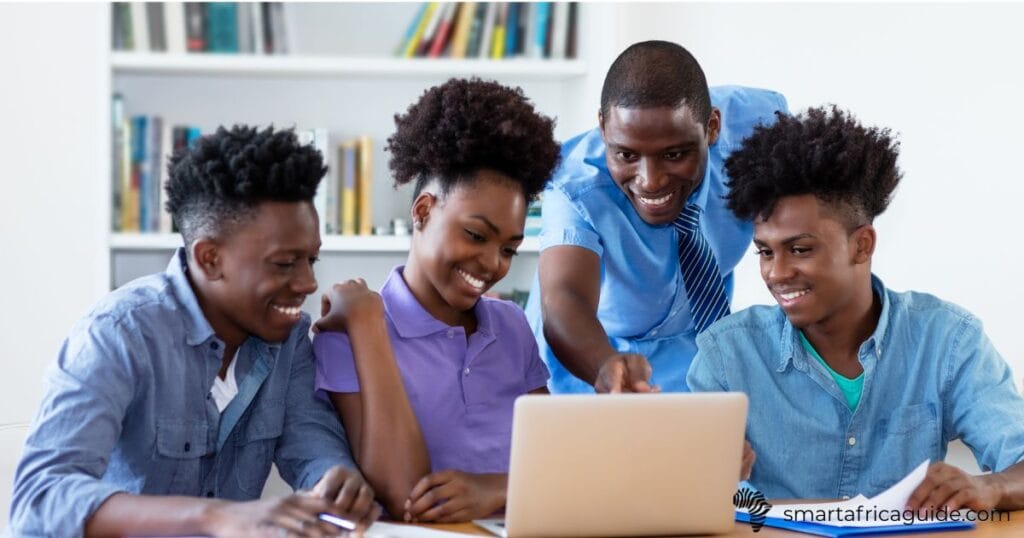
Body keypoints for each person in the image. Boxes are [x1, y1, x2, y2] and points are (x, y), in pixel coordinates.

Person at [8, 126, 379, 537]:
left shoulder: (290, 339)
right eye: (285, 263)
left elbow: (314, 451)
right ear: (209, 258)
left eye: (311, 259)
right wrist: (214, 516)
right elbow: (38, 498)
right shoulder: (118, 334)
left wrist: (338, 482)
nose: (309, 283)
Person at [687, 106, 1024, 510]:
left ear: (862, 245)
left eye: (800, 249)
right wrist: (710, 480)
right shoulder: (726, 357)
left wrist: (993, 486)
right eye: (765, 252)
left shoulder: (947, 341)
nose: (776, 273)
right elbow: (682, 495)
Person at [312, 78, 560, 523]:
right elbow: (406, 494)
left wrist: (490, 490)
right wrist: (368, 323)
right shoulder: (349, 334)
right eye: (476, 235)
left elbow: (555, 469)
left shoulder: (512, 327)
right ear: (423, 211)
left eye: (509, 249)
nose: (492, 264)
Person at [523, 40, 788, 394]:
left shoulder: (756, 131)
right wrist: (604, 366)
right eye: (626, 155)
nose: (650, 180)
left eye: (674, 154)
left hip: (694, 341)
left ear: (712, 127)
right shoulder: (574, 188)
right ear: (603, 129)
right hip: (591, 352)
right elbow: (564, 297)